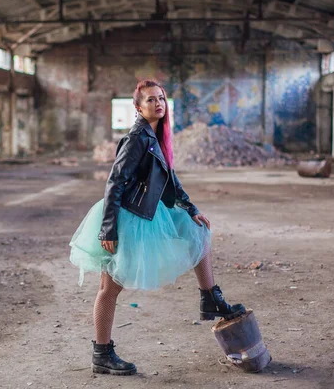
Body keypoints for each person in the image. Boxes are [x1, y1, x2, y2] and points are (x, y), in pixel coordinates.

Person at [69, 80, 245, 376]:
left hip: (147, 211)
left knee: (198, 230)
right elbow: (115, 182)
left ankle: (210, 298)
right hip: (127, 216)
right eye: (151, 100)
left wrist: (191, 208)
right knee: (109, 288)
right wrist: (109, 229)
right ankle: (101, 353)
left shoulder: (154, 135)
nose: (158, 104)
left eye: (161, 98)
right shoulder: (137, 137)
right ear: (138, 107)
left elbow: (169, 179)